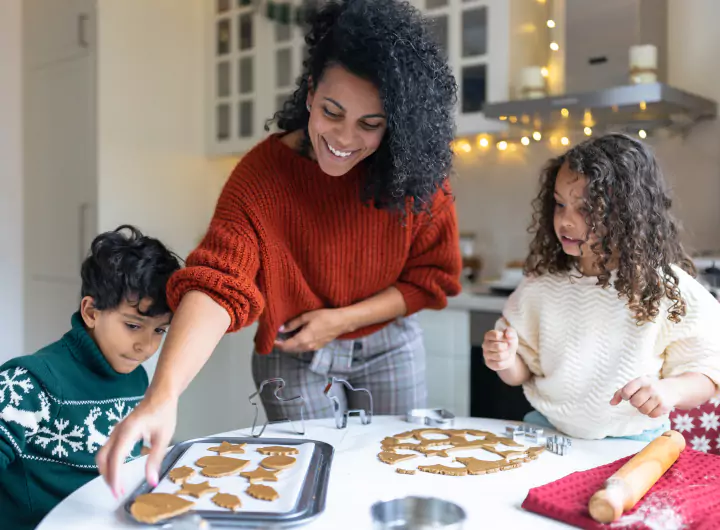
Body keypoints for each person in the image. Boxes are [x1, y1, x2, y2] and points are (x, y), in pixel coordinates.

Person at [96, 0, 461, 495]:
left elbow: (432, 279)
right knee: (311, 482)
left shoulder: (418, 182)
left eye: (369, 124)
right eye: (332, 111)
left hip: (389, 345)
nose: (344, 138)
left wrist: (341, 320)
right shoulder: (262, 178)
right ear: (310, 93)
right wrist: (163, 394)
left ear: (393, 123)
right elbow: (218, 284)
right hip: (293, 356)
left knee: (396, 477)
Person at [482, 133, 720, 441]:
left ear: (628, 213)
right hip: (549, 431)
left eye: (585, 209)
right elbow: (521, 373)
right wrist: (504, 360)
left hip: (635, 440)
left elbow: (708, 372)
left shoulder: (665, 288)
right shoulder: (541, 285)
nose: (565, 221)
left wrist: (669, 390)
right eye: (559, 204)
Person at [0, 225, 181, 529]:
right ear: (91, 312)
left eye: (159, 331)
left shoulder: (136, 379)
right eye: (134, 326)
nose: (147, 345)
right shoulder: (28, 381)